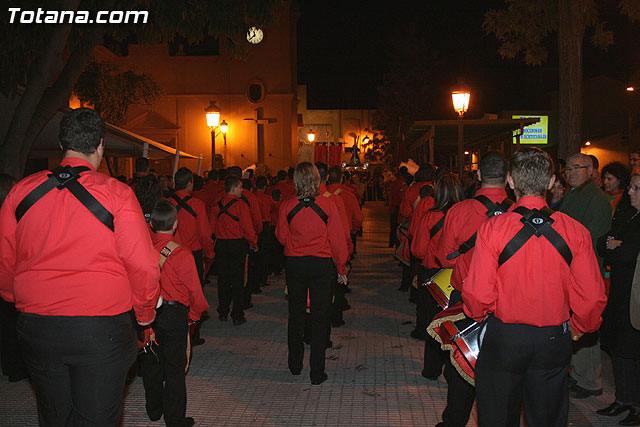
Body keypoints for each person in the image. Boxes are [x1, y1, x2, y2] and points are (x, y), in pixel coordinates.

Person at [0, 108, 160, 426]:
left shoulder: (19, 192)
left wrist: (16, 301)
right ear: (100, 145)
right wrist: (144, 316)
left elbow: (6, 260)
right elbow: (143, 267)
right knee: (97, 416)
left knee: (54, 415)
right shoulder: (118, 195)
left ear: (62, 143)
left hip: (38, 325)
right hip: (100, 328)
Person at [464, 147, 607, 427]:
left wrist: (479, 315)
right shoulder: (576, 231)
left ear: (511, 181)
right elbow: (591, 298)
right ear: (553, 182)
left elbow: (478, 294)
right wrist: (579, 327)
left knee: (497, 416)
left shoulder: (493, 229)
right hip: (553, 339)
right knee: (548, 417)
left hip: (505, 337)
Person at [435, 151, 513, 427]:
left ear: (478, 175)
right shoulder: (517, 214)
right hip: (506, 303)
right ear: (508, 178)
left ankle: (454, 421)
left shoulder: (459, 210)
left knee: (460, 365)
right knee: (504, 368)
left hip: (465, 299)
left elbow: (444, 258)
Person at [276, 162, 348, 385]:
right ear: (317, 179)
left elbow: (281, 236)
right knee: (320, 317)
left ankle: (295, 365)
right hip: (321, 265)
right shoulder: (328, 205)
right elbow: (337, 241)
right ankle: (317, 372)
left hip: (295, 264)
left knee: (296, 315)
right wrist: (341, 268)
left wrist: (296, 245)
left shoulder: (287, 205)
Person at [140, 200, 209, 427]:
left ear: (151, 225)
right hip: (173, 314)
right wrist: (196, 315)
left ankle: (153, 409)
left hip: (147, 313)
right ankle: (175, 419)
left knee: (150, 362)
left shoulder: (142, 250)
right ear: (175, 224)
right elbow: (195, 291)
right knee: (174, 369)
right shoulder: (182, 254)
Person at [561, 153, 611, 398]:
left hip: (585, 271)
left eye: (576, 168)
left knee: (586, 324)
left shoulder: (596, 199)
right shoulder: (573, 195)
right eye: (567, 169)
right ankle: (578, 373)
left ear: (590, 170)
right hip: (571, 270)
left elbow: (593, 239)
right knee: (575, 324)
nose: (570, 173)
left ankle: (590, 379)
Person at [595, 173, 640, 425]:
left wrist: (615, 248)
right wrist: (613, 247)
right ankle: (623, 399)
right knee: (619, 348)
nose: (630, 192)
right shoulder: (627, 214)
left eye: (636, 188)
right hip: (620, 292)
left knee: (634, 349)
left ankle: (635, 404)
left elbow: (626, 253)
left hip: (635, 294)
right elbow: (604, 242)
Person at [411, 174, 464, 375]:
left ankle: (432, 369)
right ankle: (457, 366)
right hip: (460, 274)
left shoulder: (430, 216)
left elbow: (418, 249)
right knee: (457, 320)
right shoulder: (465, 215)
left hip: (433, 275)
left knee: (433, 322)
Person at [210, 176, 258, 325]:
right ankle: (237, 314)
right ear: (234, 188)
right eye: (240, 187)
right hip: (237, 245)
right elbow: (247, 228)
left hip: (222, 245)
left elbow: (211, 228)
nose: (242, 190)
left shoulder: (217, 206)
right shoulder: (241, 206)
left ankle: (223, 310)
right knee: (238, 280)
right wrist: (254, 242)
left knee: (223, 279)